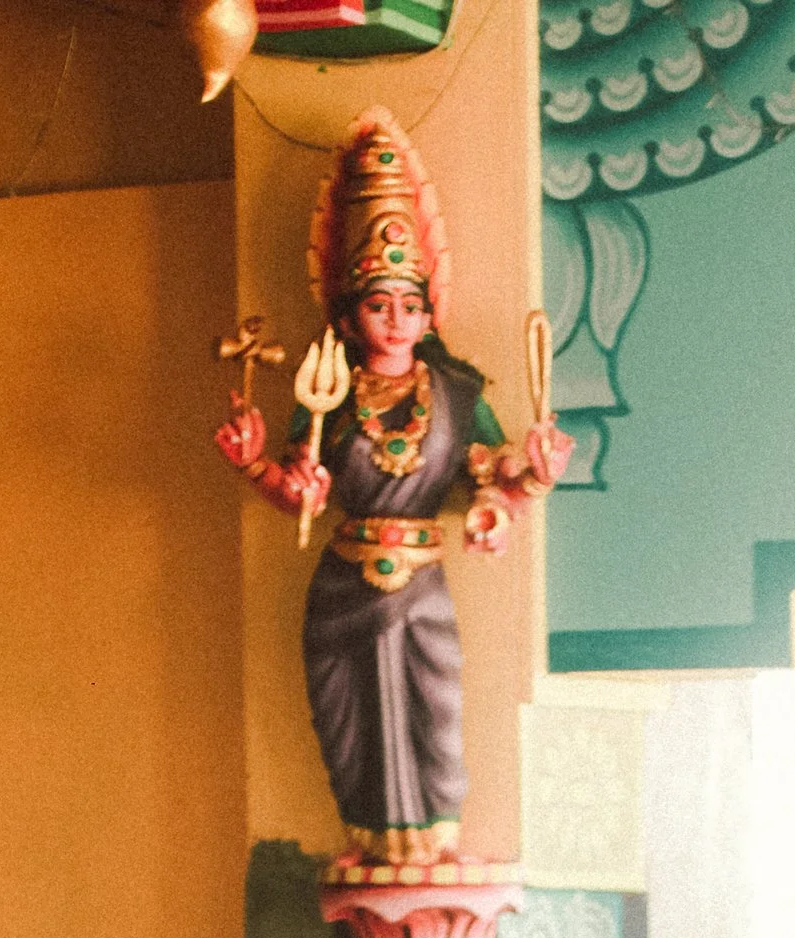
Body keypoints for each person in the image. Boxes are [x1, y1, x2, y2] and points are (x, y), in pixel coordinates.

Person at [215, 110, 567, 865]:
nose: (397, 321)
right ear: (348, 314)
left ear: (429, 309)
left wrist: (530, 471)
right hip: (345, 584)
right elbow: (300, 493)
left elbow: (494, 476)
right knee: (350, 732)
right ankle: (371, 844)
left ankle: (433, 845)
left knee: (436, 718)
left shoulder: (458, 391)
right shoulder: (329, 395)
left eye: (410, 306)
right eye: (379, 305)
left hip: (422, 584)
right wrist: (254, 465)